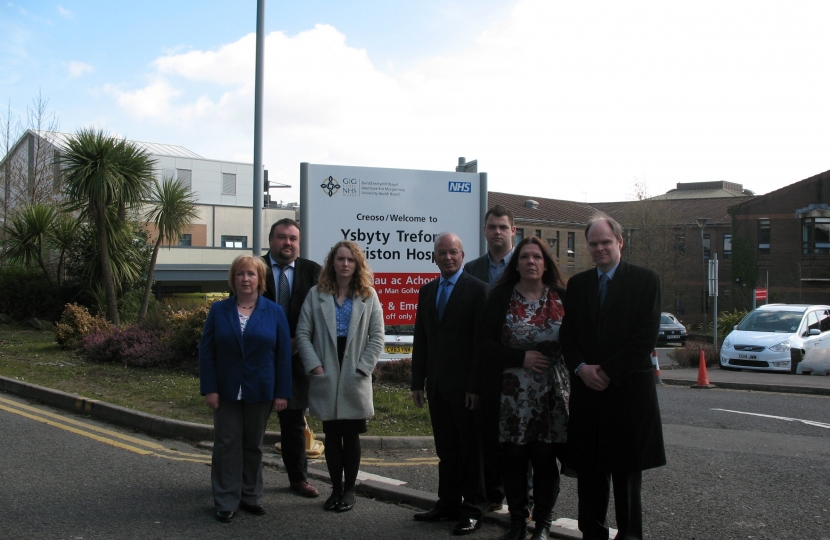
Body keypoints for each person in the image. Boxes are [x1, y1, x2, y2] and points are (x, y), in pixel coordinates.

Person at [559, 214, 665, 540]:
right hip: (588, 395)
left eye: (606, 242)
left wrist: (605, 372)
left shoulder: (646, 281)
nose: (600, 248)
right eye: (594, 243)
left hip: (628, 393)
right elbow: (568, 336)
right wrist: (580, 368)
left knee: (626, 476)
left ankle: (630, 536)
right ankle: (593, 533)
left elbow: (644, 338)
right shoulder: (577, 285)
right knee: (590, 475)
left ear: (620, 242)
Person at [477, 237, 570, 540]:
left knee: (545, 459)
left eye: (537, 257)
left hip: (551, 396)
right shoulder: (500, 297)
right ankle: (518, 522)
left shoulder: (562, 297)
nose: (531, 262)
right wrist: (521, 357)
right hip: (512, 396)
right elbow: (484, 344)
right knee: (514, 460)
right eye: (525, 257)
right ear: (516, 264)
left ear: (546, 263)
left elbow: (578, 341)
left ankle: (542, 524)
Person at [199, 254, 292, 523]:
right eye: (240, 274)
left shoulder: (274, 312)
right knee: (226, 444)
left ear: (260, 279)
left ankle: (251, 496)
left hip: (261, 389)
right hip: (226, 389)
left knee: (253, 445)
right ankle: (226, 500)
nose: (246, 279)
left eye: (251, 274)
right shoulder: (219, 310)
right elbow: (207, 352)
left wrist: (281, 392)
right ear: (233, 279)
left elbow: (282, 355)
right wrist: (210, 389)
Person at [296, 241, 384, 513]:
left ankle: (349, 490)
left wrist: (363, 368)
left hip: (355, 370)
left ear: (357, 265)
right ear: (331, 263)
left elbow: (377, 336)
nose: (345, 264)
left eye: (350, 260)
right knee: (332, 435)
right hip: (327, 369)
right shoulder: (316, 294)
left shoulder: (368, 295)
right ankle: (335, 489)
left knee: (352, 435)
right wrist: (315, 367)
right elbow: (302, 334)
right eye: (340, 259)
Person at [411, 232, 489, 536]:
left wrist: (475, 386)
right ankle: (447, 504)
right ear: (434, 257)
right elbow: (422, 339)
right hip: (438, 387)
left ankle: (473, 509)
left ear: (462, 255)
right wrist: (418, 381)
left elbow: (480, 345)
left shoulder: (478, 290)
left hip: (466, 389)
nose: (447, 257)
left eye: (453, 252)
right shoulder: (427, 291)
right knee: (446, 449)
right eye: (442, 252)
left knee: (471, 450)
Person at [261, 218, 322, 498]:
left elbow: (324, 315)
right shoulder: (254, 269)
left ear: (299, 242)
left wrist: (301, 342)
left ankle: (298, 479)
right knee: (252, 423)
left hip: (297, 359)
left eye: (293, 238)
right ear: (271, 240)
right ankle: (244, 481)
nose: (287, 243)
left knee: (294, 425)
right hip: (258, 359)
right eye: (282, 237)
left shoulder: (314, 272)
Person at [465, 204, 517, 513]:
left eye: (502, 226)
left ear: (513, 231)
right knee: (487, 435)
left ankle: (523, 504)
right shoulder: (472, 269)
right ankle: (493, 496)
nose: (497, 231)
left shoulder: (526, 264)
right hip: (485, 365)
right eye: (491, 227)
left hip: (520, 364)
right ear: (484, 231)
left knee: (520, 438)